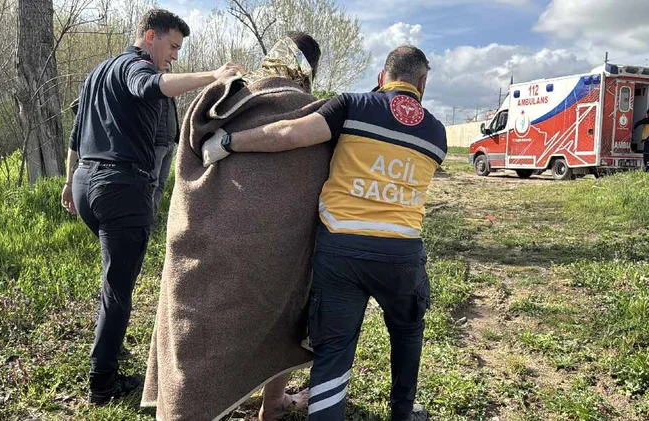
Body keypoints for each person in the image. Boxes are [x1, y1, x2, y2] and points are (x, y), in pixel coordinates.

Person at [203, 45, 445, 421]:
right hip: (402, 254)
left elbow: (288, 134)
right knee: (408, 332)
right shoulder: (437, 134)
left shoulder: (353, 106)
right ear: (423, 83)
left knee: (335, 351)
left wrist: (229, 142)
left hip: (342, 251)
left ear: (382, 78)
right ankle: (402, 411)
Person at [141, 33, 330, 421]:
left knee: (196, 325)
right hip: (274, 255)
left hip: (197, 235)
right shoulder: (314, 114)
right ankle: (271, 402)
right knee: (283, 316)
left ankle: (185, 406)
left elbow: (188, 165)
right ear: (310, 69)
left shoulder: (220, 100)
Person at [59, 8, 240, 406]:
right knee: (117, 290)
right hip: (121, 186)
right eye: (172, 46)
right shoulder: (135, 67)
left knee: (114, 277)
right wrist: (215, 76)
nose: (174, 55)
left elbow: (75, 135)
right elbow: (151, 87)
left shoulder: (97, 73)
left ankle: (110, 344)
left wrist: (70, 182)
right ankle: (102, 383)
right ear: (149, 35)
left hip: (88, 183)